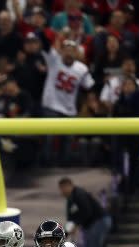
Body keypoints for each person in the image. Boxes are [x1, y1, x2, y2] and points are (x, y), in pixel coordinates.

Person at [40, 36, 95, 165]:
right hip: (51, 105)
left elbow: (89, 86)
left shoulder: (82, 68)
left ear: (76, 52)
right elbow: (45, 45)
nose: (69, 53)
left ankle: (65, 165)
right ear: (62, 51)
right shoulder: (54, 60)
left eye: (72, 50)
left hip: (69, 108)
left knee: (68, 139)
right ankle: (45, 165)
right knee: (48, 137)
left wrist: (90, 102)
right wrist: (57, 37)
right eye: (66, 50)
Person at [58, 177, 111, 247]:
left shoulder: (79, 194)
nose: (62, 192)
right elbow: (70, 220)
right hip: (91, 224)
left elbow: (87, 212)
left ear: (68, 186)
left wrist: (77, 224)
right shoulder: (70, 200)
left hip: (99, 221)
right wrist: (65, 236)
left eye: (62, 188)